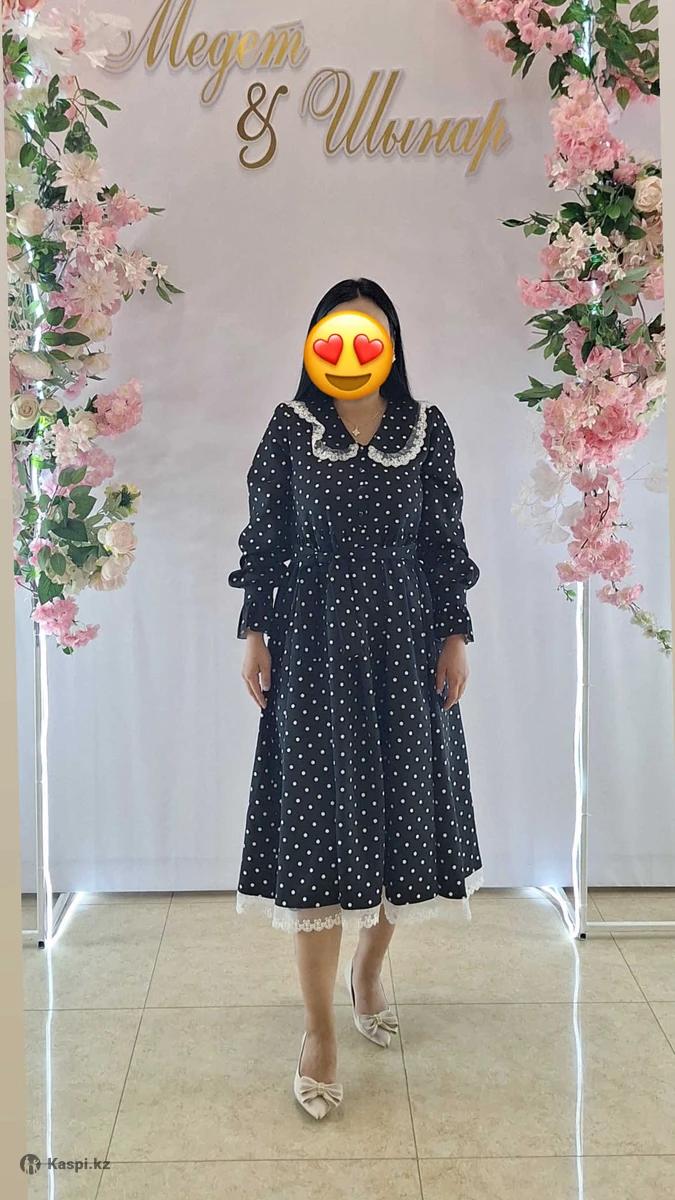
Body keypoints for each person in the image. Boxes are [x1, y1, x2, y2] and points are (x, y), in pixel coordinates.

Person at [228, 277, 482, 1120]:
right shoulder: (291, 427)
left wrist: (454, 634)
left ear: (391, 344)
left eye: (368, 336)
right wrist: (254, 630)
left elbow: (442, 537)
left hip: (406, 639)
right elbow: (266, 535)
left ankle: (368, 968)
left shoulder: (425, 428)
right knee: (318, 823)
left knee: (404, 814)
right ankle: (318, 1030)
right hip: (313, 642)